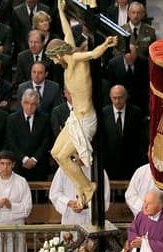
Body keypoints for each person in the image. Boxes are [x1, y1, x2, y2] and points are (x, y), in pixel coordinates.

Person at [47, 0, 118, 208]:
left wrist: (105, 44)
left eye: (53, 57)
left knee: (62, 155)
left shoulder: (76, 59)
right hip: (75, 118)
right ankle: (82, 187)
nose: (53, 62)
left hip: (86, 119)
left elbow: (93, 54)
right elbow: (66, 30)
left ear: (60, 53)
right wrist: (61, 11)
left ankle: (87, 187)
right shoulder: (68, 61)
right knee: (55, 153)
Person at [50, 155, 110, 226]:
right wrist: (70, 203)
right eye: (78, 153)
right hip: (70, 219)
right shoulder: (64, 168)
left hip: (91, 218)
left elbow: (104, 198)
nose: (80, 157)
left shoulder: (98, 170)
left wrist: (86, 205)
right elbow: (54, 194)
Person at [6, 88, 52, 181]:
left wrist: (34, 159)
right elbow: (11, 142)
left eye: (33, 104)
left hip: (39, 165)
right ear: (22, 103)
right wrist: (24, 159)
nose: (29, 107)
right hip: (19, 164)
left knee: (40, 194)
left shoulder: (44, 118)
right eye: (27, 103)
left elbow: (46, 141)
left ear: (38, 104)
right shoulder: (12, 119)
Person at [102, 85, 146, 180]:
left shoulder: (136, 113)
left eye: (120, 97)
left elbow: (140, 139)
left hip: (131, 163)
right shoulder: (103, 114)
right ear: (110, 97)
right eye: (114, 98)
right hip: (110, 164)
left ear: (126, 97)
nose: (117, 101)